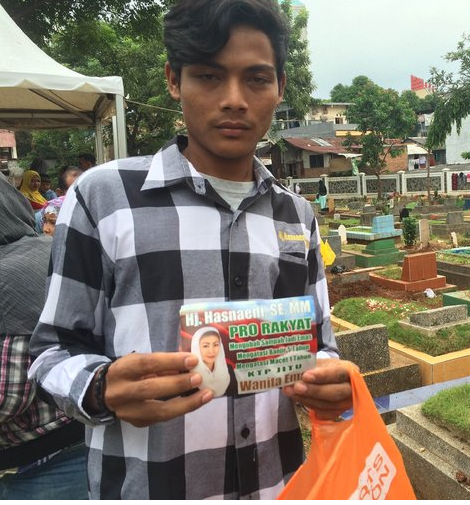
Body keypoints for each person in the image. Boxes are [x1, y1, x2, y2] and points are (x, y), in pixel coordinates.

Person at [29, 0, 353, 499]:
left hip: (278, 485)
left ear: (280, 88)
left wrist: (331, 382)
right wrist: (101, 386)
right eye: (208, 76)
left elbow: (320, 346)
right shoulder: (104, 198)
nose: (234, 100)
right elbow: (51, 351)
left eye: (257, 79)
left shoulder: (297, 216)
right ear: (174, 80)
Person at [0, 173, 87, 500]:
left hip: (47, 463)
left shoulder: (8, 274)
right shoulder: (46, 247)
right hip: (76, 438)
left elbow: (8, 396)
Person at [191, 327, 232, 397]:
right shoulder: (190, 376)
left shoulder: (229, 370)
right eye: (206, 346)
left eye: (215, 345)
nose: (211, 351)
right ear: (197, 348)